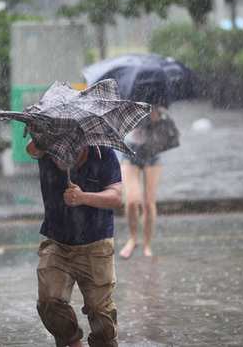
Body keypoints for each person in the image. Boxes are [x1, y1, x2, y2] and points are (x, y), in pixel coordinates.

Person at [26, 138, 123, 347]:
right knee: (48, 301)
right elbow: (31, 150)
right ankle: (72, 342)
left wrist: (84, 197)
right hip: (58, 242)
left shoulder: (103, 153)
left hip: (96, 242)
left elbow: (116, 196)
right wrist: (44, 136)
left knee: (100, 311)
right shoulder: (47, 149)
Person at [118, 106, 164, 259]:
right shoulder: (129, 96)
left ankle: (147, 245)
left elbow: (162, 126)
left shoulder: (157, 98)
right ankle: (133, 239)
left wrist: (156, 114)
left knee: (148, 203)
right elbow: (121, 123)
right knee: (132, 200)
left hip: (152, 151)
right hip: (130, 150)